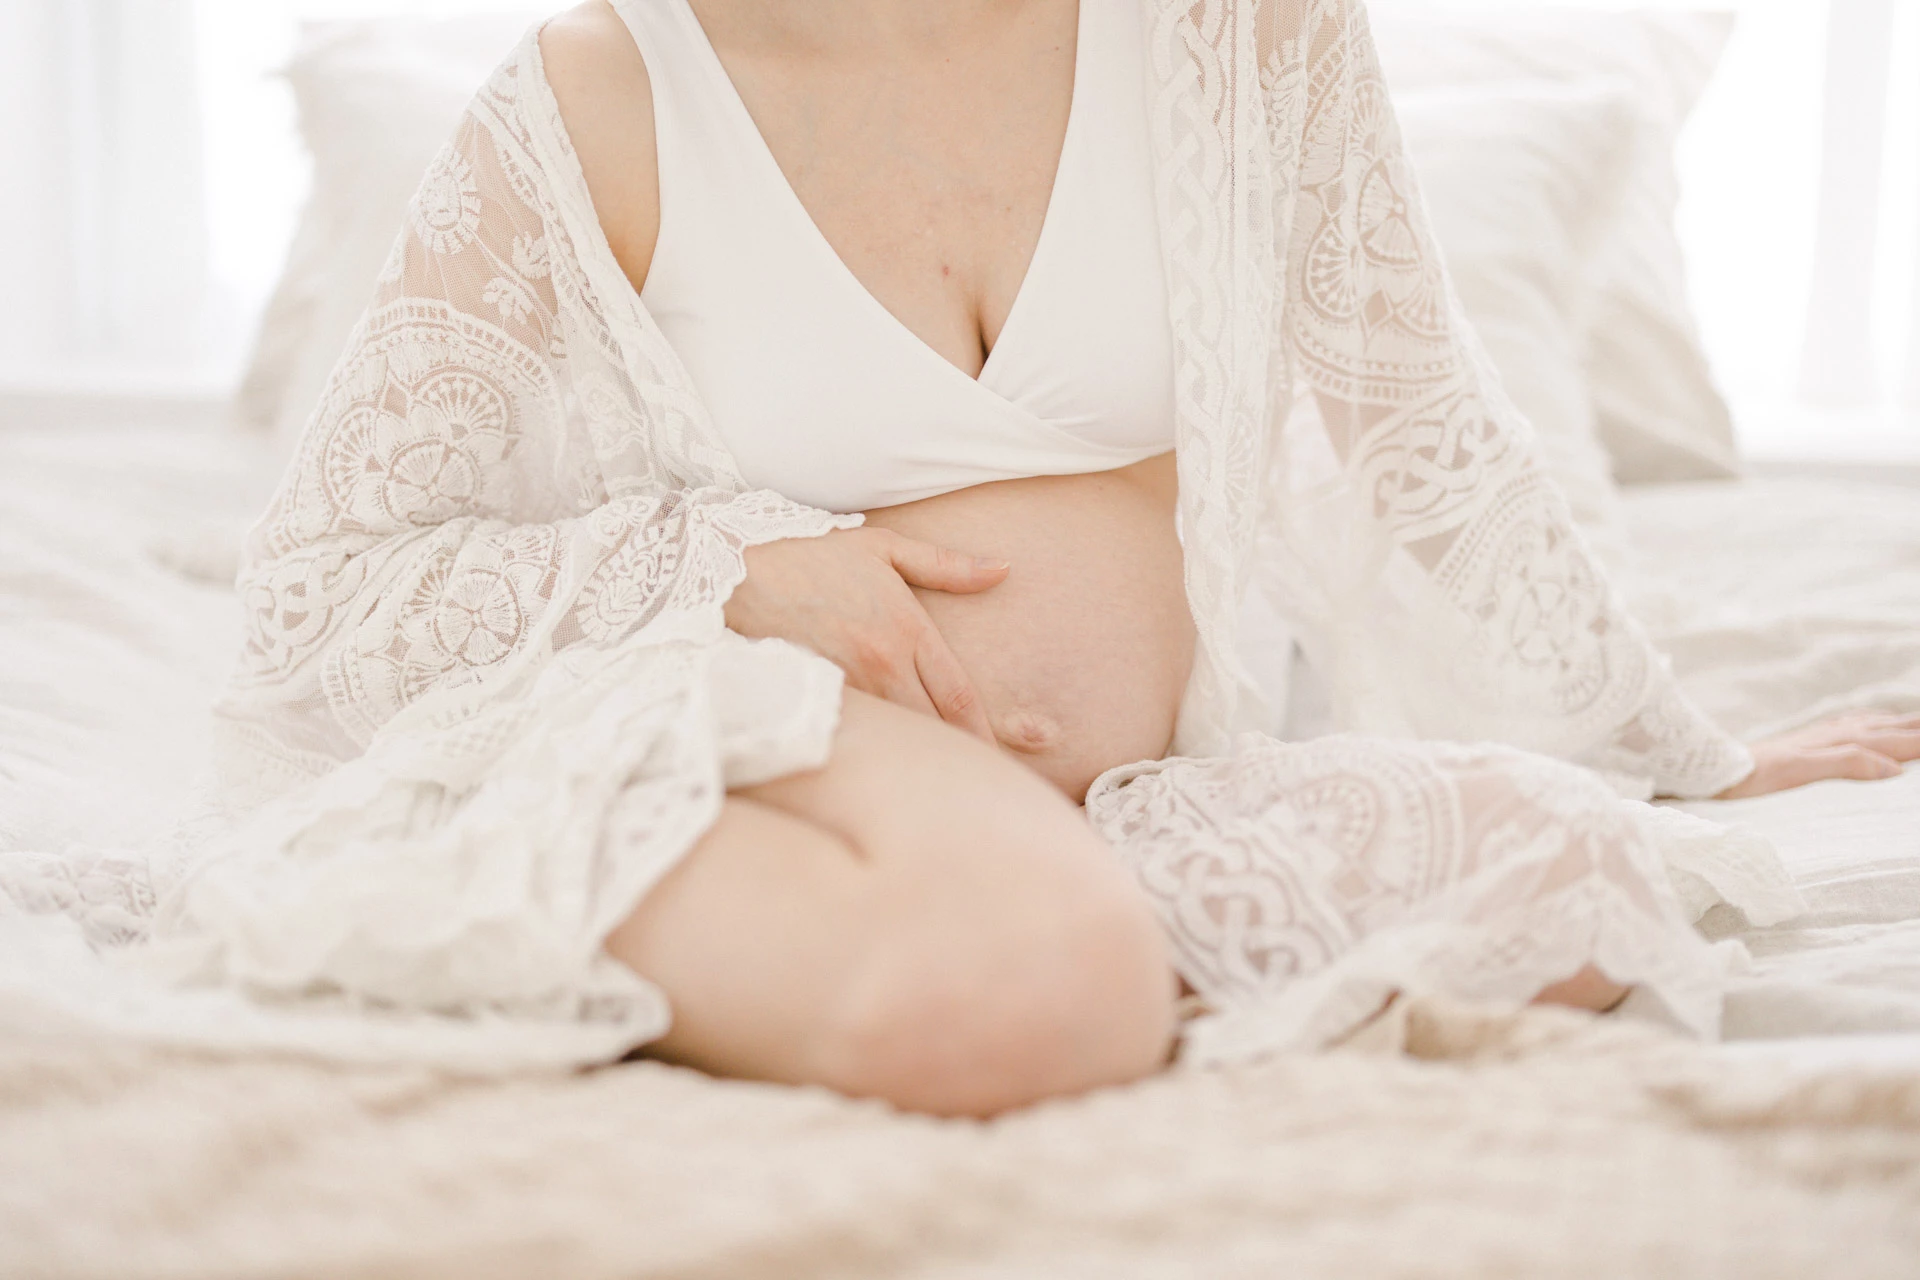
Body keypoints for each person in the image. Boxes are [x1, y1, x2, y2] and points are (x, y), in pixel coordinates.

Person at [198, 0, 1919, 1115]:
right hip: (757, 729)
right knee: (1047, 989)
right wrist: (731, 567)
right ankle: (974, 958)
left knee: (1578, 875)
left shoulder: (1242, 31)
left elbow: (1421, 422)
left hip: (1129, 798)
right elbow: (322, 582)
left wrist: (1672, 750)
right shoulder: (601, 91)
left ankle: (984, 943)